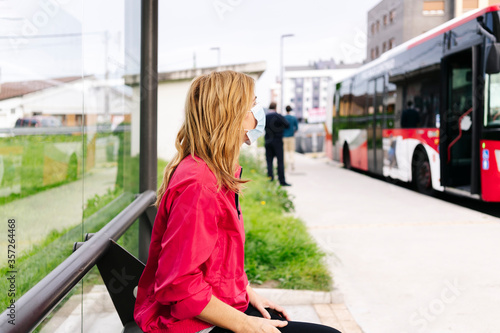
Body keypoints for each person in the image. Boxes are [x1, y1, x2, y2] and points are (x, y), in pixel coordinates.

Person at [134, 71, 341, 333]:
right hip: (187, 324)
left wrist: (245, 290)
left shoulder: (214, 172)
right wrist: (246, 324)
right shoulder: (199, 183)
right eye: (252, 104)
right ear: (229, 114)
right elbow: (179, 284)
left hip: (213, 307)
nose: (258, 112)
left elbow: (215, 261)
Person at [264, 102, 291, 186]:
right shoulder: (278, 116)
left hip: (268, 141)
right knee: (280, 162)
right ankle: (282, 180)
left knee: (269, 161)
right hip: (278, 142)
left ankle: (270, 179)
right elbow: (287, 125)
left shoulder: (265, 117)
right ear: (276, 107)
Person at [282, 105, 299, 171]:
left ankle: (285, 166)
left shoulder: (283, 117)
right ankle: (292, 164)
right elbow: (296, 128)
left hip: (284, 137)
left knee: (284, 152)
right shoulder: (293, 118)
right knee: (291, 151)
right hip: (291, 137)